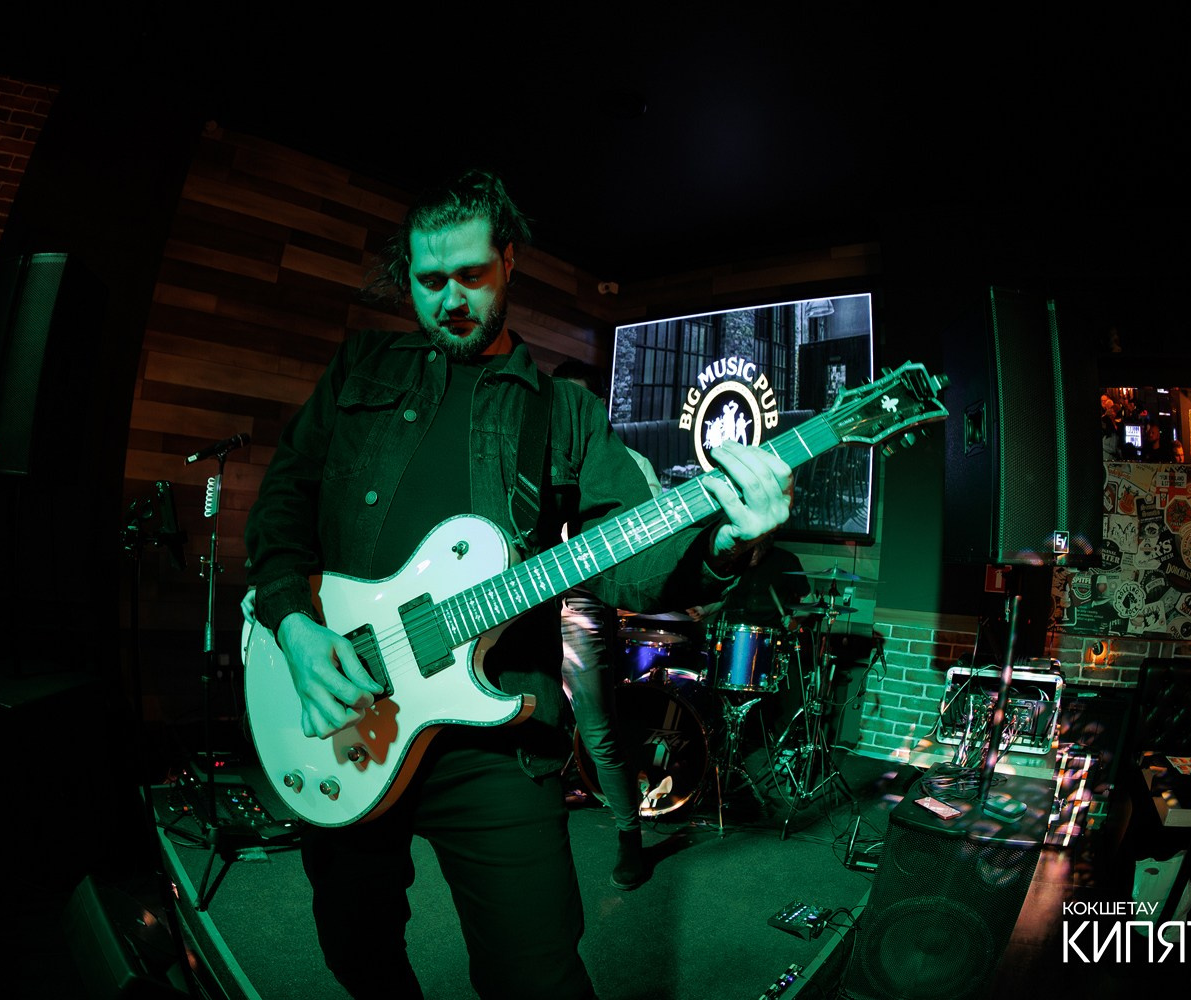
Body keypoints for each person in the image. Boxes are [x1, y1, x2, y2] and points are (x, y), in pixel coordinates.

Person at [242, 168, 792, 1000]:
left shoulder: (564, 412)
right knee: (356, 948)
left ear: (507, 261)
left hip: (499, 744)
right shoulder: (361, 367)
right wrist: (293, 623)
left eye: (470, 274)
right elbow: (281, 505)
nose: (449, 300)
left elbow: (632, 563)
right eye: (429, 280)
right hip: (349, 702)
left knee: (538, 975)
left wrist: (726, 542)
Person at [550, 359, 659, 891]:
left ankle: (629, 833)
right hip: (522, 603)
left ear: (597, 406)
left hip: (584, 602)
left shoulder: (630, 464)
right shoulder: (537, 455)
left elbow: (652, 545)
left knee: (596, 729)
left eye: (576, 400)